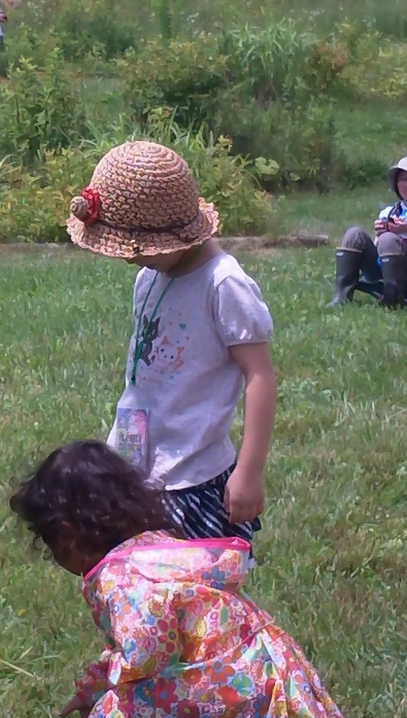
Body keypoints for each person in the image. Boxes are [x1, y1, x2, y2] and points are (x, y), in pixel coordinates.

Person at [9, 440, 390, 718]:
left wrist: (109, 681)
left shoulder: (119, 579)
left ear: (67, 535)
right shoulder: (153, 548)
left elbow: (145, 653)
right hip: (270, 672)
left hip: (240, 688)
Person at [66, 141, 277, 544]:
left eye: (136, 248)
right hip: (135, 463)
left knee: (193, 589)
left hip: (191, 473)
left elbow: (260, 376)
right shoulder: (150, 277)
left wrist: (249, 471)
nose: (129, 258)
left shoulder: (223, 284)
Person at [331, 155, 407, 310]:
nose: (406, 184)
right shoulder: (389, 212)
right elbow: (379, 247)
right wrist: (379, 235)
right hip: (385, 266)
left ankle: (394, 298)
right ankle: (342, 296)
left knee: (389, 239)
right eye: (402, 179)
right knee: (354, 234)